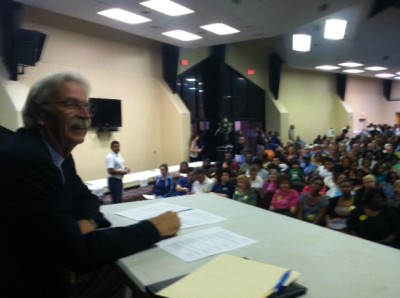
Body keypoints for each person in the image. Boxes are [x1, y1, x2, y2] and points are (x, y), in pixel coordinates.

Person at [0, 72, 181, 298]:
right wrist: (154, 228)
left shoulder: (58, 156)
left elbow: (85, 199)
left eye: (87, 107)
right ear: (40, 114)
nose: (85, 115)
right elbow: (79, 254)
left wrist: (87, 221)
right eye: (71, 104)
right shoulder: (27, 161)